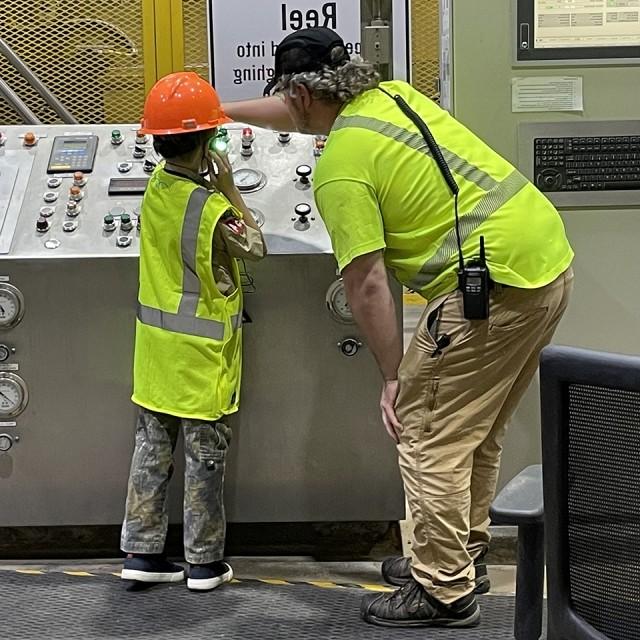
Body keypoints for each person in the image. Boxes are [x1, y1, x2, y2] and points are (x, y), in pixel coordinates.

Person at [223, 27, 574, 628]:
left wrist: (393, 375)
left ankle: (442, 592)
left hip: (491, 289)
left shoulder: (340, 165)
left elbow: (366, 284)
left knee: (426, 432)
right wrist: (220, 109)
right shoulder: (392, 96)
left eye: (287, 100)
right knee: (474, 430)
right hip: (544, 266)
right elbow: (294, 111)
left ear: (304, 97)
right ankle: (460, 556)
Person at [120, 72, 266, 591]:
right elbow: (255, 246)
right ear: (207, 143)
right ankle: (203, 563)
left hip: (156, 354)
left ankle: (141, 552)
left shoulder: (156, 189)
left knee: (151, 453)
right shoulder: (210, 207)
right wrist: (230, 189)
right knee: (205, 459)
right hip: (201, 358)